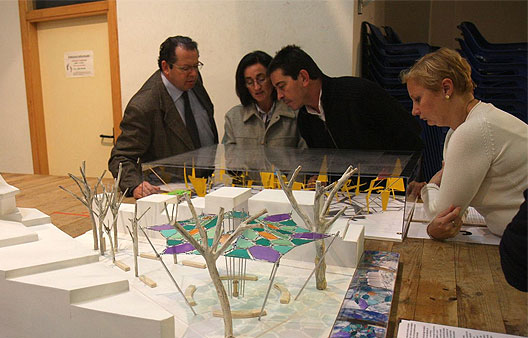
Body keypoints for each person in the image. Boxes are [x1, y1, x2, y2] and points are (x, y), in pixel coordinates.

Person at [400, 48, 528, 239]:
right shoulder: (467, 127)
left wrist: (431, 185)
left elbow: (442, 217)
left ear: (446, 88)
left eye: (418, 99)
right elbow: (458, 210)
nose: (414, 111)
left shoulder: (473, 130)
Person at [108, 36, 218, 198]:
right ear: (166, 67)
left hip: (205, 184)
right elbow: (121, 157)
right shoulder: (144, 106)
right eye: (186, 68)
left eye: (196, 66)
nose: (194, 74)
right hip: (169, 192)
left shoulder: (193, 82)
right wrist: (135, 185)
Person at [268, 45, 423, 152]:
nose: (279, 96)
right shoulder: (305, 119)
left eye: (282, 86)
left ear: (303, 77)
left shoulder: (358, 94)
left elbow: (410, 133)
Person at [222, 51, 303, 147]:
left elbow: (305, 153)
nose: (257, 87)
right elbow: (229, 154)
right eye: (249, 82)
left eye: (261, 79)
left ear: (272, 78)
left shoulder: (295, 113)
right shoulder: (233, 117)